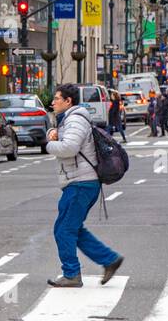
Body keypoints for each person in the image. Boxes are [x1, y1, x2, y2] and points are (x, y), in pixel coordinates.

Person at [42, 83, 124, 288]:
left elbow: (69, 147)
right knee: (72, 228)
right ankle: (109, 259)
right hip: (79, 182)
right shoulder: (70, 120)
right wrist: (52, 133)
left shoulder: (75, 120)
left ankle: (71, 273)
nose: (53, 102)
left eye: (57, 98)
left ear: (68, 101)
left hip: (81, 183)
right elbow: (66, 138)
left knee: (64, 230)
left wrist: (48, 145)